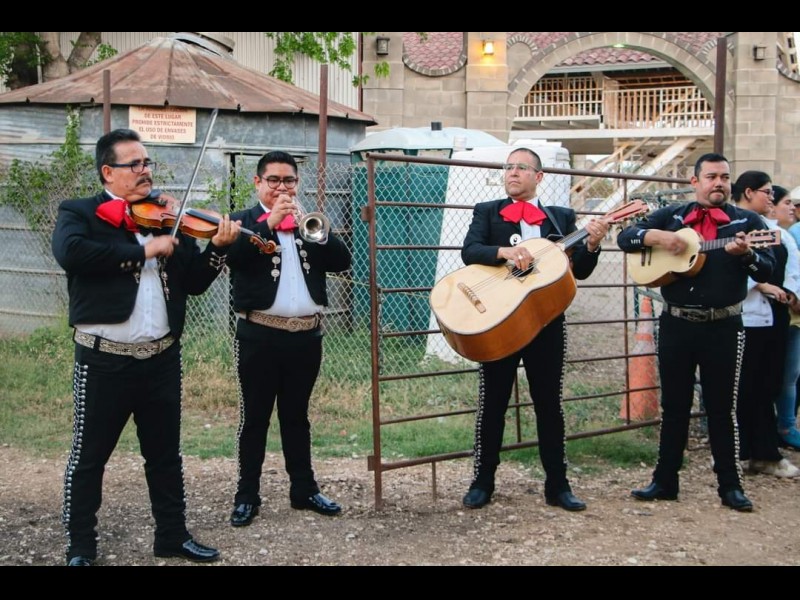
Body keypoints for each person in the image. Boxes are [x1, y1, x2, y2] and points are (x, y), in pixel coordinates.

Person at [52, 128, 240, 566]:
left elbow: (194, 283)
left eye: (147, 162)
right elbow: (72, 254)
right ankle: (81, 546)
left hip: (161, 359)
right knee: (89, 457)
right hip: (103, 360)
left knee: (165, 456)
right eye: (134, 164)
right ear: (108, 172)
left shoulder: (166, 217)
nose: (145, 171)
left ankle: (172, 536)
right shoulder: (80, 213)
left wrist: (217, 249)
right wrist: (145, 252)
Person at [617, 153, 775, 512]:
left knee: (721, 408)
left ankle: (730, 486)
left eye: (725, 177)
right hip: (676, 322)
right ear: (695, 181)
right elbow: (627, 237)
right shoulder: (673, 216)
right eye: (711, 176)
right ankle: (665, 481)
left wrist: (746, 255)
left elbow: (766, 270)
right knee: (674, 406)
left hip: (724, 326)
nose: (719, 183)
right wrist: (659, 237)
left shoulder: (746, 222)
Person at [460, 147, 609, 512]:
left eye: (521, 167)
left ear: (538, 177)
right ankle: (482, 482)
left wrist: (592, 242)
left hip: (546, 323)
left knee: (549, 405)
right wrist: (504, 253)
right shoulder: (488, 211)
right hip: (500, 322)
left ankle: (558, 486)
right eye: (508, 166)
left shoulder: (561, 218)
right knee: (492, 404)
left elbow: (580, 270)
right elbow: (470, 250)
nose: (512, 172)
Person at [225, 151, 352, 527]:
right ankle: (247, 495)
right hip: (258, 335)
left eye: (289, 181)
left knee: (297, 416)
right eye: (274, 180)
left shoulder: (308, 222)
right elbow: (233, 259)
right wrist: (269, 223)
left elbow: (342, 262)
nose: (282, 187)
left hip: (306, 336)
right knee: (255, 418)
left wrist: (317, 230)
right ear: (257, 183)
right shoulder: (241, 221)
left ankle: (304, 489)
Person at [733, 174, 800, 477]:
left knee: (770, 383)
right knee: (746, 386)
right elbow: (726, 267)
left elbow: (793, 267)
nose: (771, 198)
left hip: (777, 316)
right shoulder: (732, 226)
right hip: (745, 317)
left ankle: (763, 451)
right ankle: (747, 452)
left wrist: (792, 293)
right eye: (767, 192)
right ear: (748, 192)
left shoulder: (777, 232)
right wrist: (761, 285)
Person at [768, 185, 800, 450]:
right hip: (780, 314)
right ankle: (779, 427)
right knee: (777, 374)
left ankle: (786, 425)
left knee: (790, 374)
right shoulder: (786, 234)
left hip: (792, 315)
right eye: (787, 203)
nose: (792, 208)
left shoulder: (788, 234)